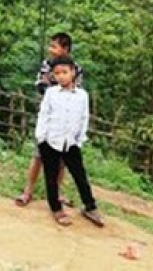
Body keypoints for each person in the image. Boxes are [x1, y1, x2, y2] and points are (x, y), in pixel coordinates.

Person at [14, 31, 85, 207]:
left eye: (54, 46)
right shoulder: (46, 66)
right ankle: (27, 191)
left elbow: (76, 92)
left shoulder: (77, 69)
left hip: (67, 121)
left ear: (65, 48)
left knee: (62, 160)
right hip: (49, 119)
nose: (50, 49)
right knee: (39, 155)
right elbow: (41, 86)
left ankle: (57, 194)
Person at [35, 57, 103, 227]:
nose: (61, 77)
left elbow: (83, 117)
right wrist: (41, 138)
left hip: (71, 143)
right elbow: (43, 115)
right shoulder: (51, 93)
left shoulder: (82, 96)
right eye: (57, 73)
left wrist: (79, 139)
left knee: (80, 175)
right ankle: (56, 208)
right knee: (51, 176)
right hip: (51, 141)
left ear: (73, 72)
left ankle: (90, 206)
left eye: (64, 72)